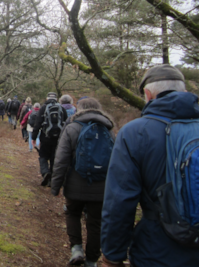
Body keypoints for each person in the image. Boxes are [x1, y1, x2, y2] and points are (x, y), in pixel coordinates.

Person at [101, 64, 199, 267]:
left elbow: (120, 201)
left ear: (147, 94)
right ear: (186, 91)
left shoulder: (135, 133)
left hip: (158, 249)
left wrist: (112, 255)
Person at [51, 97, 115, 267]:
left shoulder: (72, 127)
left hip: (74, 185)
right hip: (101, 187)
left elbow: (61, 160)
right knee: (95, 223)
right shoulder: (109, 130)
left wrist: (55, 186)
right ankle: (92, 260)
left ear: (79, 109)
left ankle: (76, 249)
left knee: (72, 213)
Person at [31, 92, 67, 186]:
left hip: (45, 138)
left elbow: (37, 124)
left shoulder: (43, 108)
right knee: (53, 158)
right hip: (58, 139)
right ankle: (51, 179)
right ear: (56, 99)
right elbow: (67, 124)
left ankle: (45, 172)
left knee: (43, 156)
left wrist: (33, 137)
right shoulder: (62, 109)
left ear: (47, 98)